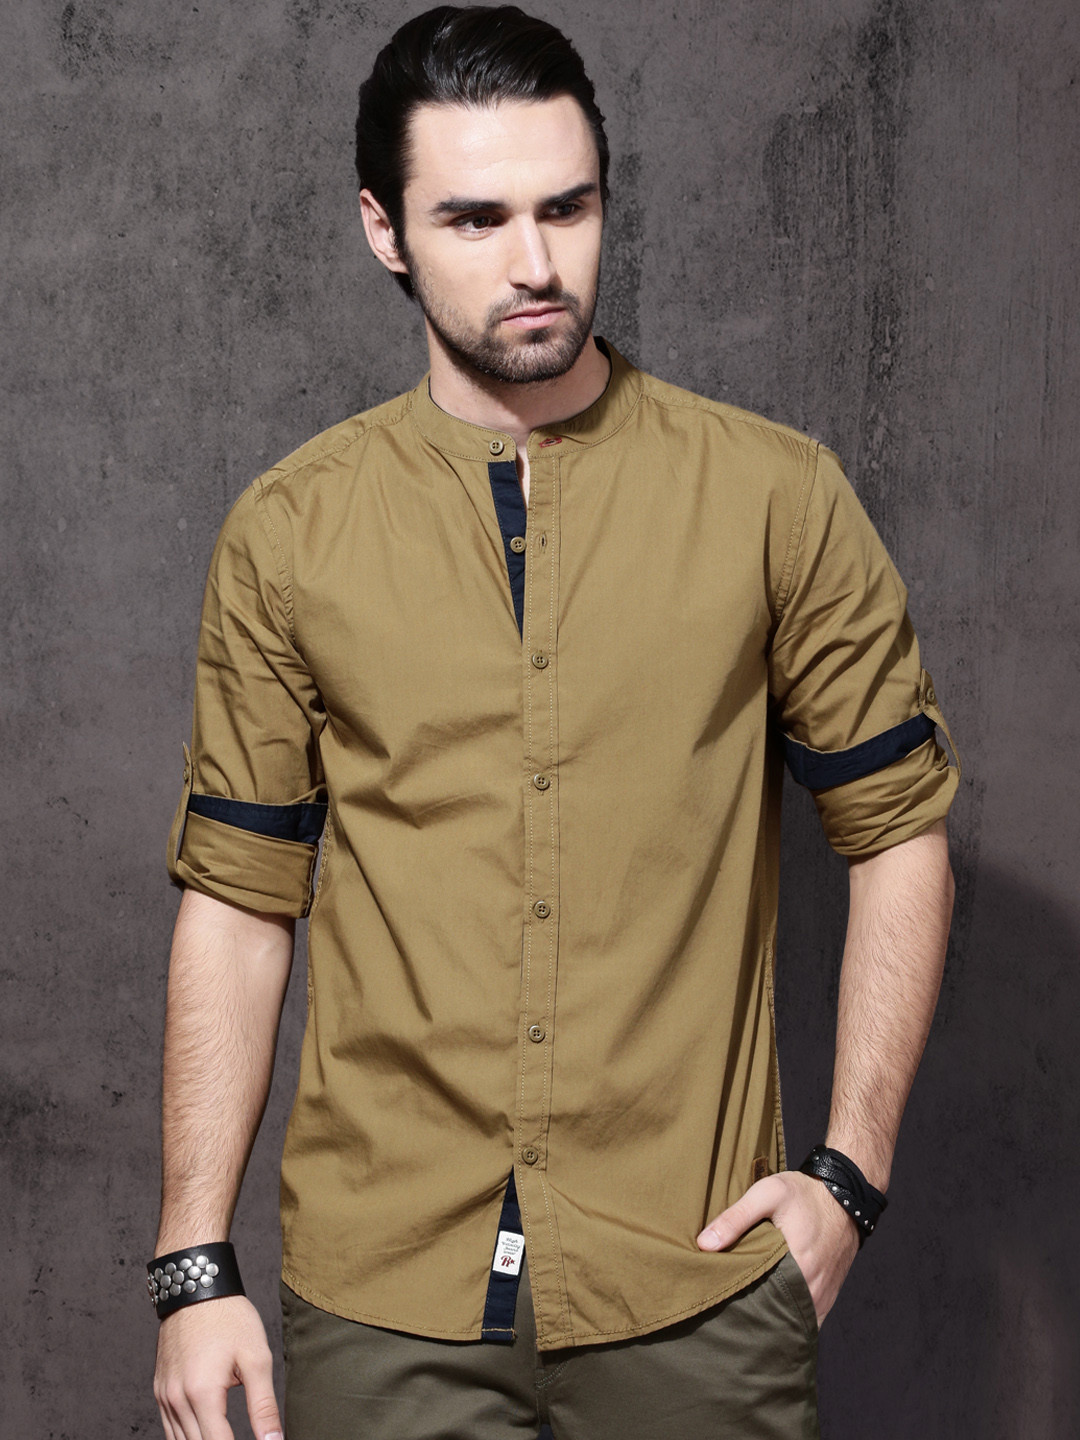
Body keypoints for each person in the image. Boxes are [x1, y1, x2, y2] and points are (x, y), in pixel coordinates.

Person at [149, 6, 962, 1439]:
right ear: (384, 230)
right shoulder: (291, 532)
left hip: (697, 1287)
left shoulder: (775, 498)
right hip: (382, 1296)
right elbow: (241, 897)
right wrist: (192, 1264)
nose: (534, 263)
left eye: (566, 208)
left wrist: (848, 1178)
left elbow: (898, 831)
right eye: (474, 218)